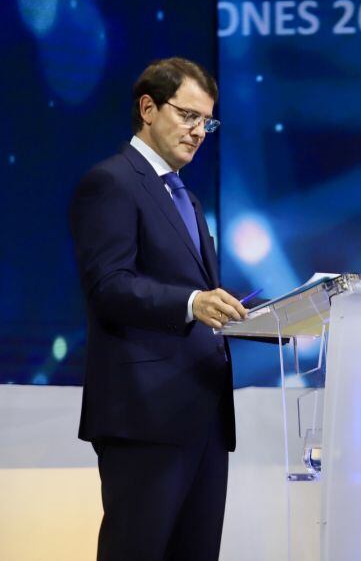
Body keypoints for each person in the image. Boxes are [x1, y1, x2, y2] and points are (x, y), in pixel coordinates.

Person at [69, 57, 247, 560]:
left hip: (204, 413)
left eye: (207, 122)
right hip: (145, 414)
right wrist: (192, 302)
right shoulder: (111, 182)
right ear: (147, 108)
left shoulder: (185, 198)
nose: (199, 132)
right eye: (188, 116)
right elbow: (109, 285)